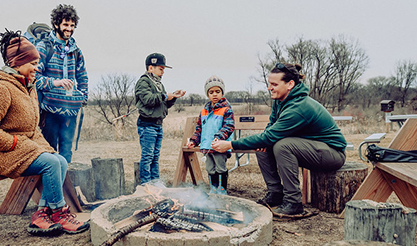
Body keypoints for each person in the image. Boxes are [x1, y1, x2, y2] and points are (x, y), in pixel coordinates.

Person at [0, 29, 89, 235]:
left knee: (59, 159)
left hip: (16, 147)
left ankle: (42, 215)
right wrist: (12, 143)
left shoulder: (27, 87)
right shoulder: (1, 87)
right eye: (33, 64)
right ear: (16, 63)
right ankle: (59, 213)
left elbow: (32, 129)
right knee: (51, 163)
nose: (37, 68)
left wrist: (46, 149)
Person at [212, 63, 347, 215]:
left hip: (332, 153)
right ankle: (275, 193)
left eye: (274, 84)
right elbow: (271, 126)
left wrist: (230, 144)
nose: (270, 88)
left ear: (290, 84)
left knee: (282, 145)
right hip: (311, 149)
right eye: (269, 84)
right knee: (263, 147)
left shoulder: (300, 107)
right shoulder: (280, 100)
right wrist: (263, 142)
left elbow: (270, 136)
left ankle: (293, 202)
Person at [35, 4, 88, 163]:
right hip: (49, 109)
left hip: (71, 111)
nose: (69, 29)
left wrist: (83, 97)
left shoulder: (76, 51)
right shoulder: (44, 47)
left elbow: (82, 75)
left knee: (66, 153)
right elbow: (34, 77)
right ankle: (49, 188)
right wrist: (55, 82)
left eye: (72, 25)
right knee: (50, 153)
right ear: (56, 24)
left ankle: (65, 187)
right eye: (66, 24)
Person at [135, 53, 186, 186]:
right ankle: (146, 184)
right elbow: (148, 100)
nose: (163, 72)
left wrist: (173, 97)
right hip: (147, 125)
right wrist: (164, 96)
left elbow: (164, 104)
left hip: (158, 124)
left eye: (163, 69)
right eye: (161, 68)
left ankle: (156, 183)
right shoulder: (143, 82)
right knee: (147, 157)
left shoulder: (158, 84)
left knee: (155, 157)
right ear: (151, 68)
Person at [186, 75, 235, 194]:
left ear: (222, 92)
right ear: (207, 94)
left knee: (220, 168)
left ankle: (222, 190)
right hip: (207, 147)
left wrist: (219, 137)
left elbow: (229, 126)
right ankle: (213, 189)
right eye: (211, 92)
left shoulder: (226, 110)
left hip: (220, 146)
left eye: (218, 91)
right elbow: (199, 129)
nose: (214, 94)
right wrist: (194, 140)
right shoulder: (204, 111)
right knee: (210, 168)